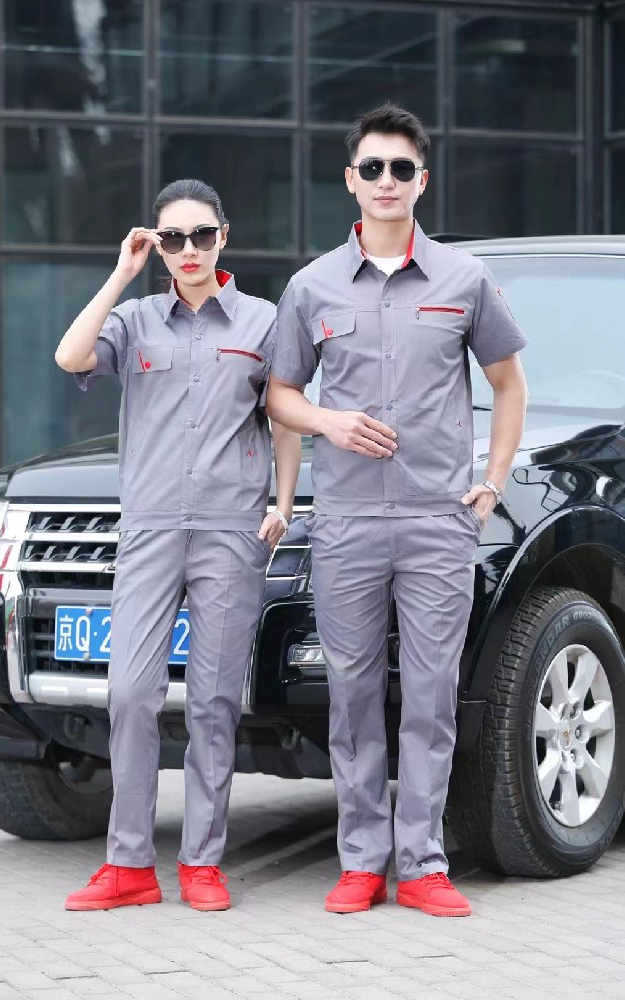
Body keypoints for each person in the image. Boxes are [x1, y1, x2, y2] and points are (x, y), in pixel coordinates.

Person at [266, 104, 528, 917]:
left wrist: (491, 481)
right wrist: (330, 422)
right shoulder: (311, 286)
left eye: (401, 168)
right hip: (345, 523)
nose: (387, 181)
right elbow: (279, 395)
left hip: (435, 522)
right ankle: (360, 862)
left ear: (422, 180)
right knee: (349, 693)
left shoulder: (464, 280)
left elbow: (509, 385)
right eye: (372, 168)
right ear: (352, 180)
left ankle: (422, 864)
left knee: (430, 694)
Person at [55, 179, 300, 912]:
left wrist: (283, 503)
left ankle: (202, 862)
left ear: (223, 237)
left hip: (231, 530)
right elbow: (70, 357)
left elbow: (284, 416)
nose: (188, 250)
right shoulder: (134, 321)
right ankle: (129, 864)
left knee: (214, 701)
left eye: (200, 235)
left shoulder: (263, 321)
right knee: (131, 693)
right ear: (156, 246)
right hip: (151, 529)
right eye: (172, 238)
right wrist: (120, 273)